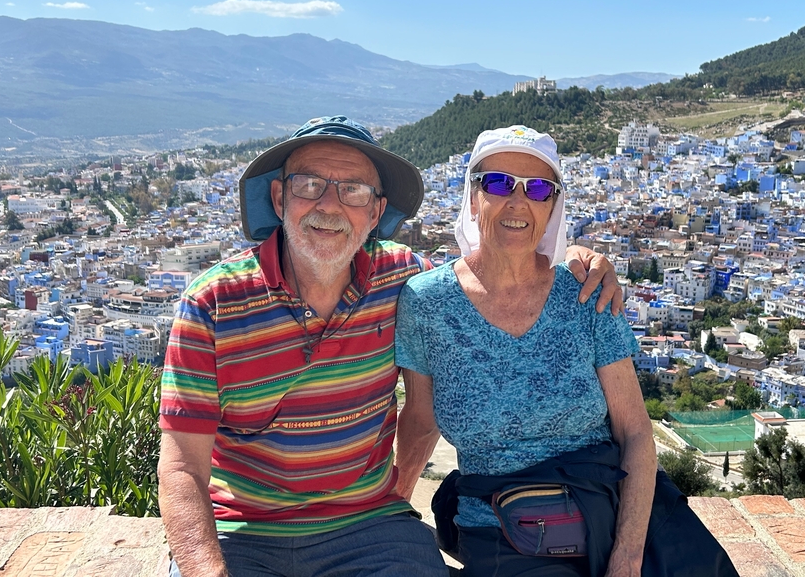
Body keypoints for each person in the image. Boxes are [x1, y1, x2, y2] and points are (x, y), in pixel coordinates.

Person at [158, 116, 623, 577]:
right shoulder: (213, 303)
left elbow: (488, 275)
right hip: (243, 531)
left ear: (376, 212)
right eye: (309, 185)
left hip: (368, 527)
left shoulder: (405, 283)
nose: (330, 205)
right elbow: (181, 467)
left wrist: (576, 260)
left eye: (353, 190)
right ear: (279, 197)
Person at [394, 125, 738, 577]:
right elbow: (420, 420)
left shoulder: (586, 291)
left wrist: (627, 559)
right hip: (503, 527)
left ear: (552, 205)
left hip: (612, 511)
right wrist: (392, 510)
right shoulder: (427, 303)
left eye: (538, 189)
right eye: (498, 183)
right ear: (472, 195)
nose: (518, 201)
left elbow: (635, 432)